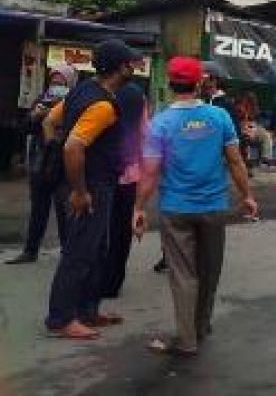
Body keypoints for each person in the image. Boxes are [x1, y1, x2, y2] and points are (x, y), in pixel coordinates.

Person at [133, 56, 258, 356]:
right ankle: (200, 326)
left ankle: (187, 339)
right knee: (209, 271)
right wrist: (248, 196)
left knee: (183, 274)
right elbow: (236, 161)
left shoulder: (161, 123)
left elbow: (149, 172)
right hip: (215, 206)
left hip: (176, 209)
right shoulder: (219, 118)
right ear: (200, 82)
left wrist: (138, 208)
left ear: (169, 82)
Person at [43, 39, 140, 340]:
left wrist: (52, 150)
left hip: (97, 183)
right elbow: (74, 147)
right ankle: (60, 319)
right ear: (120, 67)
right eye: (130, 64)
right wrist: (79, 190)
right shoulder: (102, 105)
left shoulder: (80, 91)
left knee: (97, 250)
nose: (134, 68)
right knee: (79, 253)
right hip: (93, 186)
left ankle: (87, 311)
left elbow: (49, 121)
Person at [6, 65, 77, 265]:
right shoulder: (41, 99)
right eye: (53, 80)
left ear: (69, 83)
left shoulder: (75, 102)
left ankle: (68, 253)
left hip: (63, 163)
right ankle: (30, 250)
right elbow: (25, 129)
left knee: (64, 209)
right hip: (41, 162)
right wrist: (34, 117)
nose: (56, 84)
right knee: (38, 208)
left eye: (60, 81)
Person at [100, 81, 147, 302]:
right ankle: (113, 281)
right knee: (122, 230)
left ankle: (98, 277)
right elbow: (145, 133)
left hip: (106, 170)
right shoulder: (138, 96)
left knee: (102, 226)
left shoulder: (105, 94)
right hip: (131, 172)